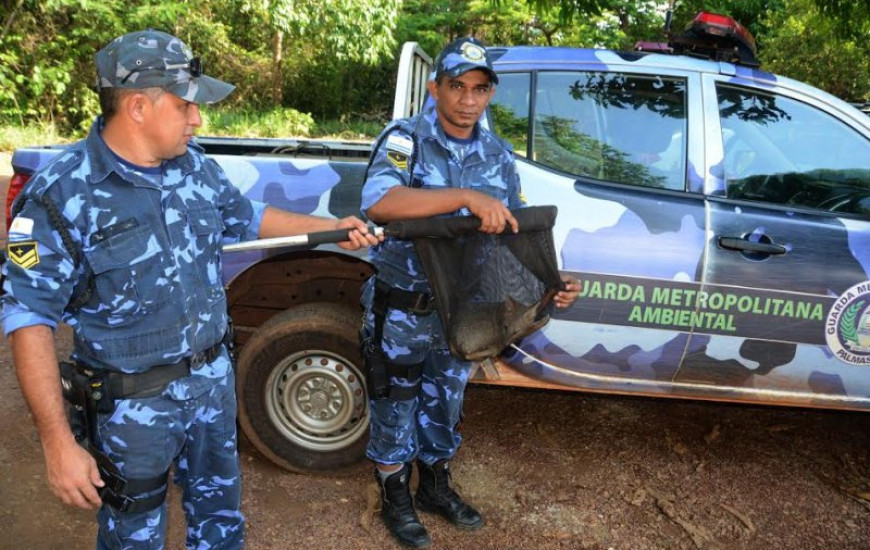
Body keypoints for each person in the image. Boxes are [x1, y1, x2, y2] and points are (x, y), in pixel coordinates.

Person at [0, 29, 379, 549]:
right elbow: (28, 318)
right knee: (133, 536)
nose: (197, 119)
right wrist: (58, 443)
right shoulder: (62, 193)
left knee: (220, 523)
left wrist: (334, 229)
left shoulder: (193, 165)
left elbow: (246, 215)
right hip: (132, 410)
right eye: (185, 105)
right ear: (138, 106)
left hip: (211, 386)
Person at [360, 36, 580, 548]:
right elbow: (379, 202)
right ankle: (395, 493)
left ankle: (435, 484)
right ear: (435, 88)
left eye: (479, 89)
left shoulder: (497, 154)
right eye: (457, 86)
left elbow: (513, 234)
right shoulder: (406, 139)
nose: (468, 99)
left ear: (490, 94)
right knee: (396, 400)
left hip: (466, 312)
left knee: (446, 398)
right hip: (406, 305)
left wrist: (554, 282)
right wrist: (464, 197)